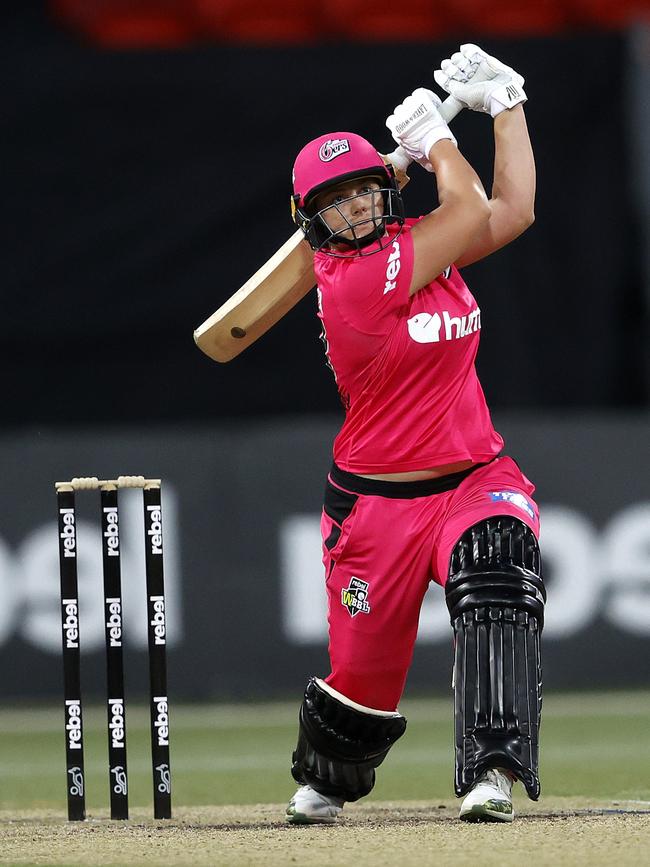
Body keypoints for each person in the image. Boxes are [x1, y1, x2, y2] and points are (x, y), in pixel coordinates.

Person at [285, 44, 546, 825]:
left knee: (497, 570)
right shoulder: (354, 285)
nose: (358, 211)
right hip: (377, 508)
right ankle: (333, 771)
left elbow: (515, 209)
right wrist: (437, 141)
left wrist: (507, 106)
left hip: (475, 476)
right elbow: (467, 209)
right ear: (314, 223)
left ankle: (491, 770)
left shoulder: (420, 251)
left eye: (366, 192)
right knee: (357, 697)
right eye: (337, 204)